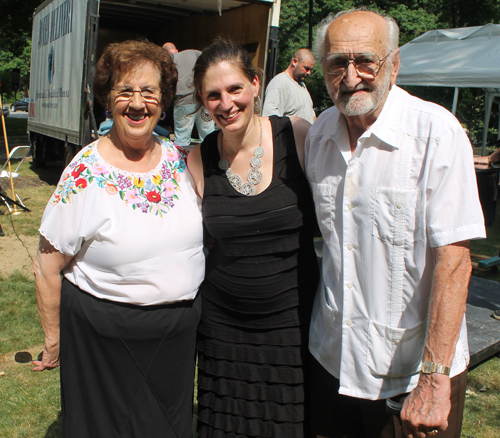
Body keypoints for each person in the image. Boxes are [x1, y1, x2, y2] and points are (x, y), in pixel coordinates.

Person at [305, 9, 486, 438]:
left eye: (366, 60)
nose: (351, 77)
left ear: (394, 64)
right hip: (332, 360)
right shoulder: (320, 134)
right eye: (336, 63)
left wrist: (434, 378)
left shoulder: (435, 133)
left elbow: (456, 263)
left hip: (409, 376)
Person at [32, 39, 205, 438]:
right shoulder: (84, 171)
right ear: (108, 102)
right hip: (103, 342)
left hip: (175, 341)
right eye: (125, 91)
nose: (138, 103)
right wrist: (54, 339)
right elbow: (47, 264)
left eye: (149, 92)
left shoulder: (179, 159)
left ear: (163, 102)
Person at [187, 38, 320, 437]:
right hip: (222, 328)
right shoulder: (199, 157)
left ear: (256, 84)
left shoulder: (297, 135)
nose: (225, 104)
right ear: (201, 100)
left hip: (291, 325)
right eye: (213, 95)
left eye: (234, 89)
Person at [163, 42, 214, 147]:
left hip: (183, 102)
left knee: (182, 137)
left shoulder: (168, 62)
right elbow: (210, 61)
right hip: (202, 100)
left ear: (165, 53)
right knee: (209, 135)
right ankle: (211, 161)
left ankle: (182, 161)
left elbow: (166, 84)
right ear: (176, 50)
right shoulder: (193, 52)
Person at [262, 48, 316, 123]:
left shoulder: (302, 85)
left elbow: (312, 115)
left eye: (311, 69)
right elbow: (271, 121)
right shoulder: (279, 83)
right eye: (306, 68)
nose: (309, 73)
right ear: (295, 62)